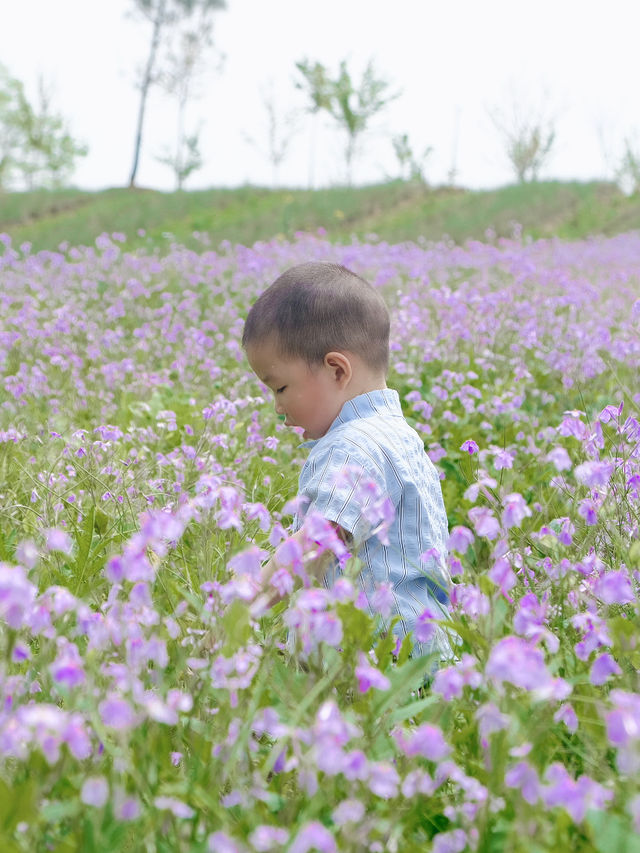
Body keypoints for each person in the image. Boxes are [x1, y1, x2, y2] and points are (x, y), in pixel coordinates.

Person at [242, 261, 451, 659]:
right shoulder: (400, 436)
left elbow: (319, 542)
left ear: (337, 369)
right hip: (417, 660)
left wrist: (243, 603)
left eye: (281, 388)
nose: (277, 409)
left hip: (375, 673)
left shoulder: (354, 446)